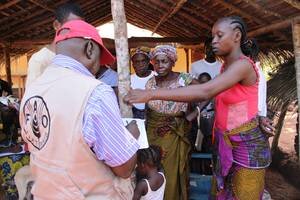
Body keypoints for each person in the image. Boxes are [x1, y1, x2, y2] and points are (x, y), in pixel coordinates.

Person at [125, 16, 272, 200]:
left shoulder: (243, 65)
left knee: (244, 194)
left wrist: (151, 94)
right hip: (225, 141)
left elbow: (205, 91)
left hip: (246, 146)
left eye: (219, 35)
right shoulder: (226, 67)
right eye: (213, 36)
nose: (214, 42)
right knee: (224, 192)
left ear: (236, 35)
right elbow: (239, 100)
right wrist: (259, 115)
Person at [19, 20, 140, 199]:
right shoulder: (95, 92)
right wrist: (131, 135)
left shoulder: (32, 90)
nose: (98, 67)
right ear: (90, 49)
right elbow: (124, 168)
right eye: (100, 60)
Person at [144, 45, 197, 200]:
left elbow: (209, 92)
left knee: (171, 172)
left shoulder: (184, 79)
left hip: (175, 133)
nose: (160, 65)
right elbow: (148, 110)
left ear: (173, 62)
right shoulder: (150, 83)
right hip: (152, 134)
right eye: (157, 62)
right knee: (151, 170)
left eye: (165, 61)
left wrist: (195, 112)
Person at [25, 2, 84, 88]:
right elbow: (32, 99)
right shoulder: (40, 60)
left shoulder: (80, 57)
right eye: (71, 26)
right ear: (56, 25)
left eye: (81, 27)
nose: (77, 31)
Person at [130, 47, 155, 119]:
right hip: (134, 117)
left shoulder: (156, 77)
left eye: (143, 61)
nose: (140, 65)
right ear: (133, 64)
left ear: (148, 62)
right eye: (137, 62)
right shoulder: (128, 80)